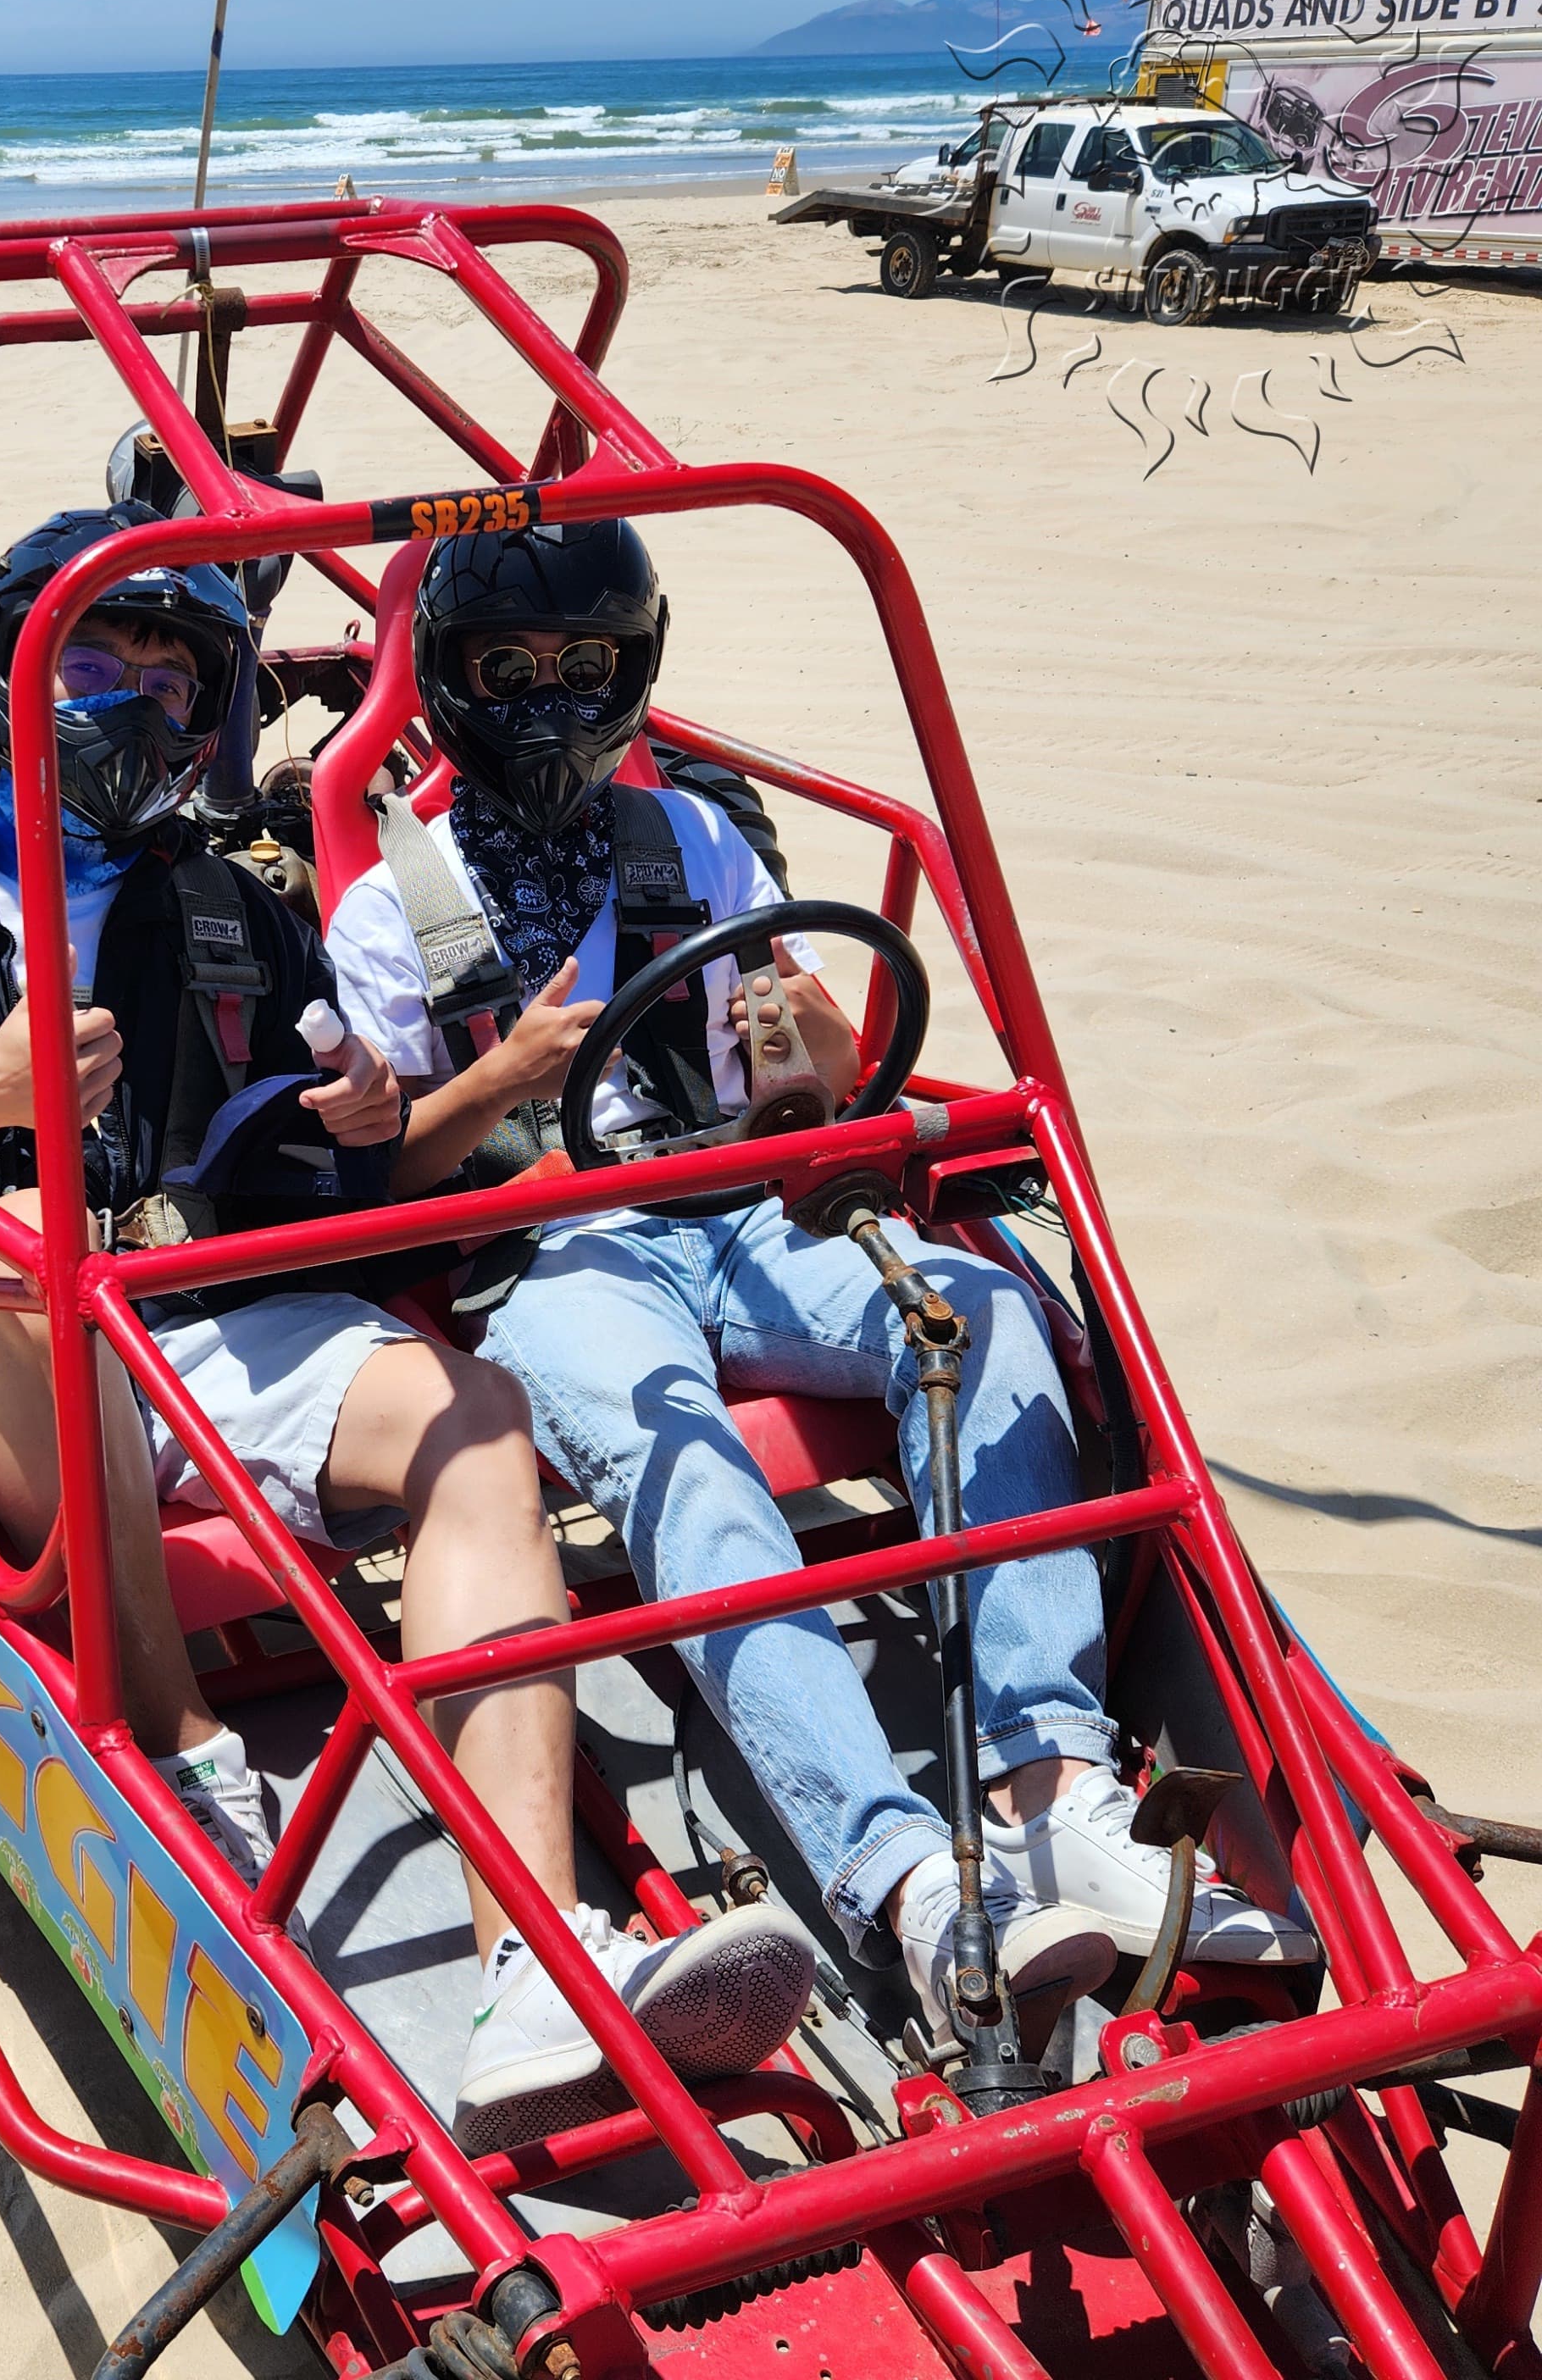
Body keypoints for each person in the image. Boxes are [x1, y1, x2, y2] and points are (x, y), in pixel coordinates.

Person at [0, 502, 820, 2150]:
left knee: (470, 1417)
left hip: (204, 1313)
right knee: (25, 1254)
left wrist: (357, 1120)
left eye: (172, 680)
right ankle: (177, 1742)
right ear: (13, 681)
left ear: (213, 710)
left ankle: (529, 1957)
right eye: (95, 664)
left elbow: (309, 1199)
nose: (133, 707)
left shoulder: (232, 901)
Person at [324, 519, 1317, 2038]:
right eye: (508, 668)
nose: (548, 695)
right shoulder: (399, 898)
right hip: (552, 1247)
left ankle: (1052, 1789)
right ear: (452, 685)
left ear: (631, 669)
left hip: (743, 1194)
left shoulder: (695, 842)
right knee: (690, 1474)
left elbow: (792, 1071)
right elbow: (381, 1189)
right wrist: (498, 1083)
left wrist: (827, 1067)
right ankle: (904, 1875)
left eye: (582, 664)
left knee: (980, 1310)